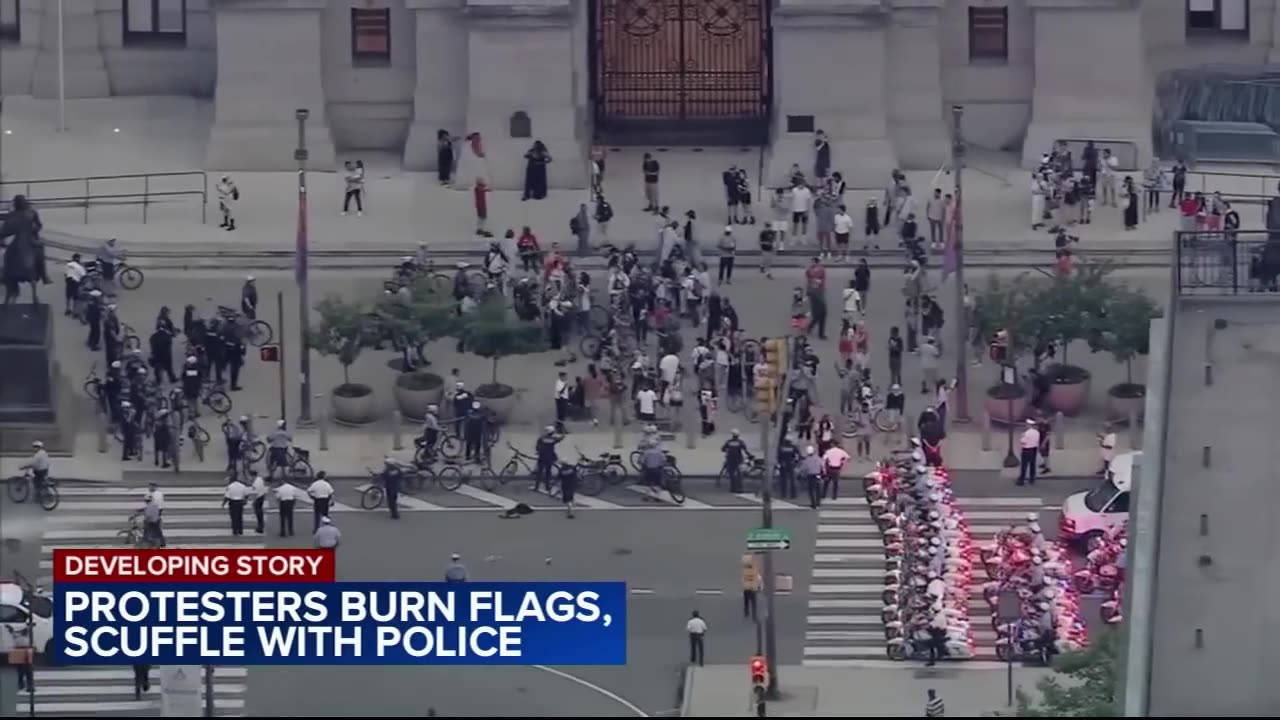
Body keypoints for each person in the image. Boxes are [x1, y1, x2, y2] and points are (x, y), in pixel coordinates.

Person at [534, 426, 561, 495]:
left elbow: (537, 446)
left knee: (539, 472)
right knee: (548, 472)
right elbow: (560, 439)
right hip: (549, 457)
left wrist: (538, 451)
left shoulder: (542, 438)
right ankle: (547, 486)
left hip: (542, 456)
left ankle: (536, 486)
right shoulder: (553, 439)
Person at [1017, 419, 1041, 486]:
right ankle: (1032, 478)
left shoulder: (1026, 433)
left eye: (1026, 424)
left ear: (1028, 425)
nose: (1025, 425)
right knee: (1032, 464)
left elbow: (1023, 442)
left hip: (1026, 449)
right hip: (1034, 449)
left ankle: (1022, 480)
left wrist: (1022, 438)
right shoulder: (1037, 432)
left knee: (1024, 465)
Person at [381, 456, 403, 520]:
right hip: (393, 486)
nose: (386, 465)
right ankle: (393, 512)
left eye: (387, 464)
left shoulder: (389, 470)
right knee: (392, 499)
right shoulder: (396, 469)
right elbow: (401, 476)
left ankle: (394, 514)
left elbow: (384, 476)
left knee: (392, 500)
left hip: (391, 487)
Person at [740, 554, 761, 621]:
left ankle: (746, 612)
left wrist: (743, 586)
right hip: (753, 589)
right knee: (753, 604)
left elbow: (743, 579)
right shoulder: (754, 570)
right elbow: (758, 578)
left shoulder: (745, 570)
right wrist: (759, 586)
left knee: (746, 602)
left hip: (746, 588)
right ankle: (754, 616)